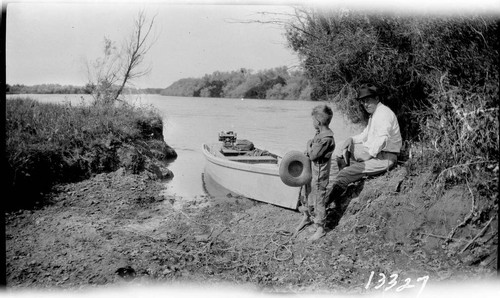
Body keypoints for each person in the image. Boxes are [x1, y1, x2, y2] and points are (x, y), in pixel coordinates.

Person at [328, 83, 402, 221]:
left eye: (368, 100)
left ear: (377, 98)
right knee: (340, 148)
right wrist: (351, 139)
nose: (365, 104)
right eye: (363, 101)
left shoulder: (383, 114)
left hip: (385, 157)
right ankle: (347, 182)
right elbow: (365, 135)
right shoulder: (374, 114)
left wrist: (369, 154)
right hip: (376, 152)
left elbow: (383, 138)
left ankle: (326, 203)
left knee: (344, 173)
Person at [295, 104, 336, 241]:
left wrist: (308, 145)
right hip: (313, 172)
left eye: (313, 120)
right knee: (307, 193)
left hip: (320, 175)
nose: (312, 123)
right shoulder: (320, 133)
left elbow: (313, 155)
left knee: (319, 200)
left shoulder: (326, 138)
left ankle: (320, 228)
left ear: (318, 121)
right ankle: (308, 217)